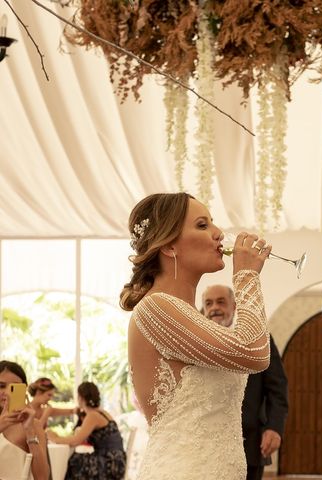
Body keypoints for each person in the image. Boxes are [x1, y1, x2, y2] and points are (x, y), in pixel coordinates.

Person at [121, 192, 272, 480]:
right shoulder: (157, 308)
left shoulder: (189, 319)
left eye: (212, 223)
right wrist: (246, 277)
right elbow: (254, 352)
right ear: (169, 246)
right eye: (202, 225)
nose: (218, 233)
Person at [202, 284, 289, 480]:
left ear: (234, 306)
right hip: (205, 445)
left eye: (221, 302)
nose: (214, 307)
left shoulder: (259, 339)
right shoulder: (195, 342)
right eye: (209, 303)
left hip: (248, 443)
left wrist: (274, 427)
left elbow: (277, 388)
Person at [47, 381, 126, 479]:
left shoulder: (92, 415)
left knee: (75, 461)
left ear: (81, 398)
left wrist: (55, 438)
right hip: (117, 461)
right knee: (77, 458)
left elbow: (75, 441)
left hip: (109, 463)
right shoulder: (102, 412)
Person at [0, 360, 50, 480]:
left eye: (14, 387)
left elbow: (42, 477)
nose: (7, 392)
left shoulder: (33, 425)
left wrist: (29, 431)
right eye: (1, 386)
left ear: (24, 389)